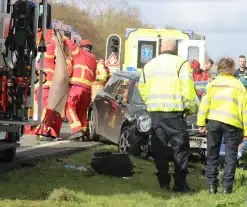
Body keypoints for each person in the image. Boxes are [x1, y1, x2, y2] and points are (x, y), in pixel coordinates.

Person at [140, 38, 197, 192]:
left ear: (160, 49)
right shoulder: (181, 64)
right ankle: (180, 184)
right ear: (175, 49)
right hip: (174, 113)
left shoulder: (149, 65)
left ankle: (163, 182)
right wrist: (190, 108)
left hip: (155, 113)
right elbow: (188, 89)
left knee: (159, 148)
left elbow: (142, 88)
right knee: (180, 148)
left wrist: (151, 104)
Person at [197, 57, 247, 194]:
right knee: (230, 157)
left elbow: (204, 104)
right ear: (232, 69)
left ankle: (212, 187)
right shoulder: (239, 86)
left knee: (212, 155)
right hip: (232, 124)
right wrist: (246, 132)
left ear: (219, 68)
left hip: (213, 122)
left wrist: (201, 122)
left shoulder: (212, 84)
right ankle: (227, 188)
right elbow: (245, 110)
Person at [63, 38, 97, 140]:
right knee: (82, 111)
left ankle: (77, 130)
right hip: (88, 89)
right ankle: (84, 132)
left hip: (77, 86)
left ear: (81, 47)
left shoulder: (79, 52)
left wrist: (63, 37)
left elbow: (70, 44)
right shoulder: (94, 60)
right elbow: (94, 77)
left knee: (69, 107)